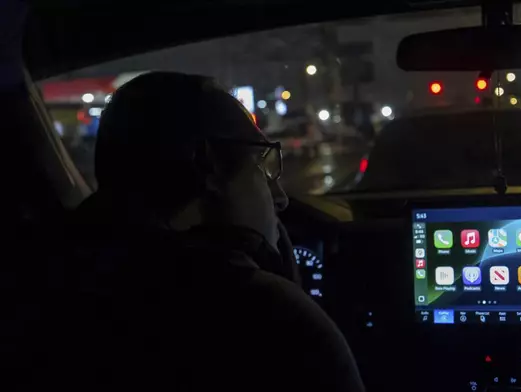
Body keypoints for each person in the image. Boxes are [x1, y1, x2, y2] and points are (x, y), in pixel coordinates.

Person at [42, 72, 364, 391]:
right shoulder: (269, 318)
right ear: (208, 165)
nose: (279, 198)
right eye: (261, 166)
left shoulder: (51, 288)